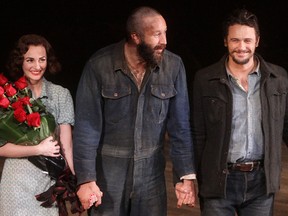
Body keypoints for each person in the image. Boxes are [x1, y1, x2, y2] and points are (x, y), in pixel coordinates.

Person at [73, 6, 196, 216]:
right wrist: (86, 179)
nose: (164, 40)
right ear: (136, 37)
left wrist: (186, 175)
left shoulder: (173, 66)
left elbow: (180, 127)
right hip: (109, 172)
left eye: (165, 32)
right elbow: (86, 128)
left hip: (151, 174)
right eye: (157, 34)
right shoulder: (100, 65)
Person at [192, 8, 288, 216]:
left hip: (261, 184)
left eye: (247, 40)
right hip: (218, 183)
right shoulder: (205, 79)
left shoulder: (278, 78)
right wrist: (195, 177)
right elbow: (197, 134)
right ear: (226, 41)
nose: (241, 47)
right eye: (235, 40)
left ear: (257, 41)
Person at [0, 34, 75, 215]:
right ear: (20, 61)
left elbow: (67, 145)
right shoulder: (8, 96)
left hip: (49, 183)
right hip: (16, 181)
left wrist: (70, 180)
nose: (37, 66)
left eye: (42, 60)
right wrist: (38, 149)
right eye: (30, 60)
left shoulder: (60, 94)